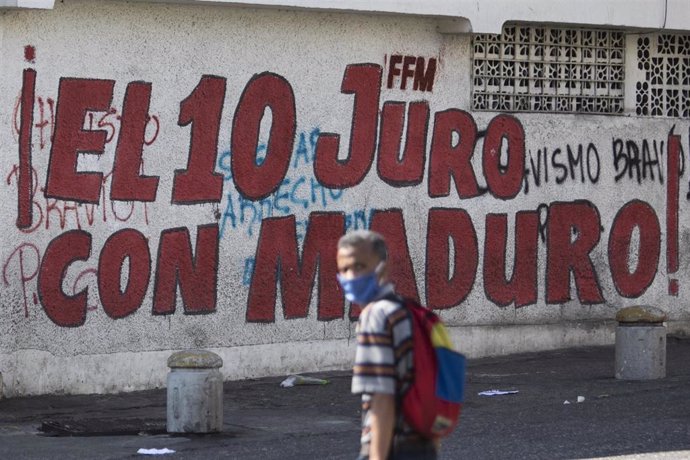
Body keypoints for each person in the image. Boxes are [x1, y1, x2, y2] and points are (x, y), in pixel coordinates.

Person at [336, 230, 437, 460]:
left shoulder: (376, 317)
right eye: (344, 269)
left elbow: (382, 398)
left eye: (360, 266)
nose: (350, 276)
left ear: (383, 267)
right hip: (422, 444)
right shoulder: (409, 311)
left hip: (392, 446)